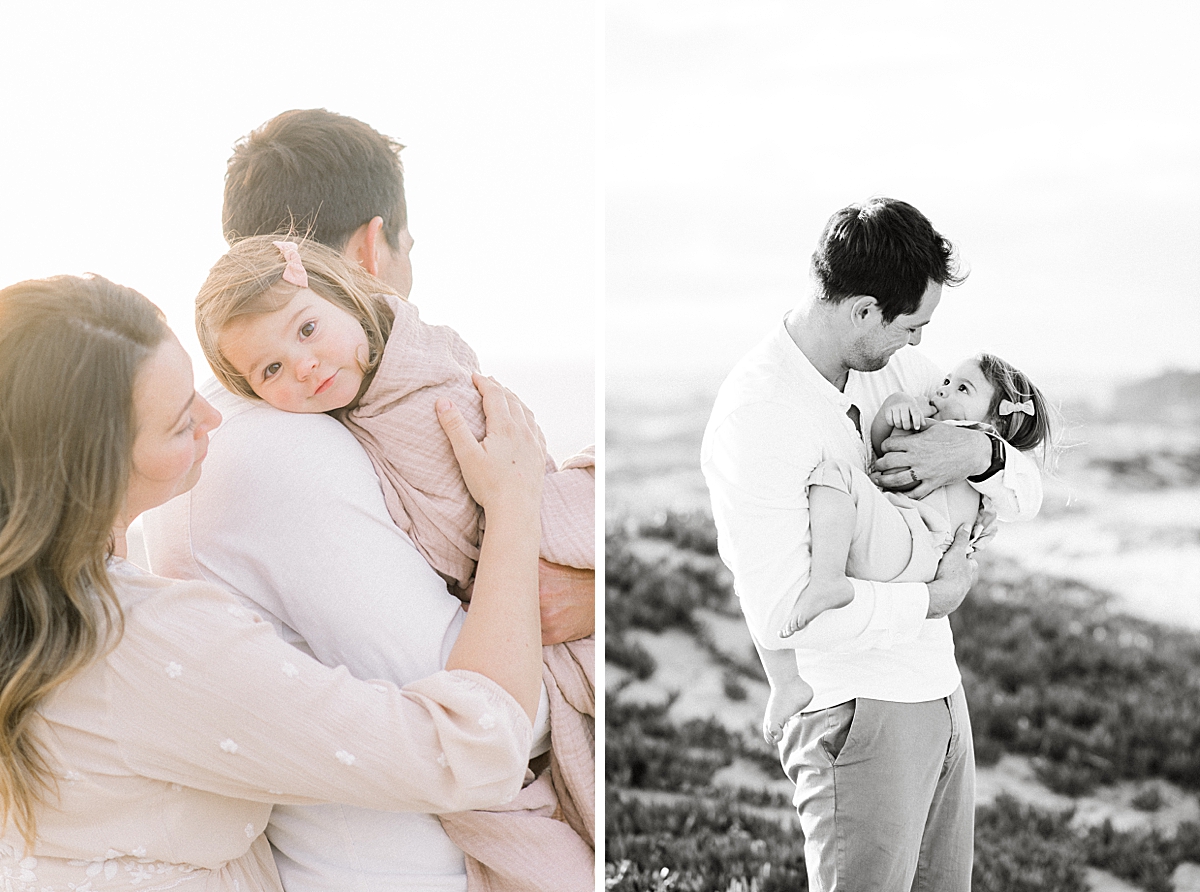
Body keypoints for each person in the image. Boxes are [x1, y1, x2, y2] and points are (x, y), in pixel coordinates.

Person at [141, 109, 594, 892]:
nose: (300, 371)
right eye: (275, 363)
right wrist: (531, 524)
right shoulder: (281, 450)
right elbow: (496, 715)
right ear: (371, 247)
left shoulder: (265, 421)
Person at [0, 274, 545, 890]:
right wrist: (514, 508)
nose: (214, 418)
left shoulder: (36, 601)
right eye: (181, 424)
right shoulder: (155, 642)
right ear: (90, 472)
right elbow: (475, 749)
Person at [701, 197, 1043, 892]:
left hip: (943, 700)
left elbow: (1027, 492)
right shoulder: (759, 415)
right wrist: (929, 600)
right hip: (856, 715)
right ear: (863, 311)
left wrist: (982, 455)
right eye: (913, 326)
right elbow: (783, 612)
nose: (920, 345)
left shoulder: (900, 373)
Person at [761, 353, 1054, 742]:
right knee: (772, 581)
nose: (943, 389)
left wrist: (899, 413)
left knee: (833, 477)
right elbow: (890, 446)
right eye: (948, 381)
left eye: (961, 389)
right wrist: (895, 407)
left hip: (914, 545)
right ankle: (787, 677)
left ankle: (825, 585)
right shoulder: (940, 420)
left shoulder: (966, 436)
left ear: (993, 423)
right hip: (907, 551)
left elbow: (1024, 494)